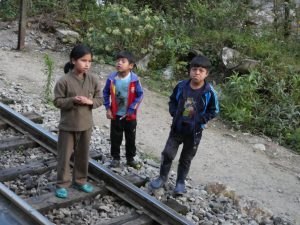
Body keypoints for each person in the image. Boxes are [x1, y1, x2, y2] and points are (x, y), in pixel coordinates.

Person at [149, 55, 219, 195]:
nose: (197, 73)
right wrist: (174, 112)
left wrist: (201, 120)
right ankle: (162, 177)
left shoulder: (209, 92)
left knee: (186, 158)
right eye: (194, 69)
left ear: (206, 73)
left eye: (201, 70)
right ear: (190, 70)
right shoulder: (181, 86)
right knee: (168, 153)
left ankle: (180, 182)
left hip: (194, 133)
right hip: (177, 129)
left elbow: (214, 110)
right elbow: (172, 100)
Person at [54, 44, 103, 198]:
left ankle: (80, 181)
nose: (87, 64)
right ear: (73, 61)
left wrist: (90, 102)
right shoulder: (64, 81)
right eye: (83, 60)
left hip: (86, 125)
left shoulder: (93, 80)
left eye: (90, 61)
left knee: (83, 154)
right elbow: (57, 101)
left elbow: (100, 99)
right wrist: (72, 100)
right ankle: (62, 183)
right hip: (68, 125)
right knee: (65, 155)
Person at [103, 51, 143, 169]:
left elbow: (140, 95)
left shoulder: (134, 79)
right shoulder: (112, 78)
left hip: (130, 116)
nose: (119, 63)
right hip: (116, 114)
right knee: (115, 137)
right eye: (118, 61)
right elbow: (105, 93)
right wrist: (108, 108)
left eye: (123, 61)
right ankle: (115, 158)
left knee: (131, 138)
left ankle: (130, 159)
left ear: (131, 66)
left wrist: (132, 108)